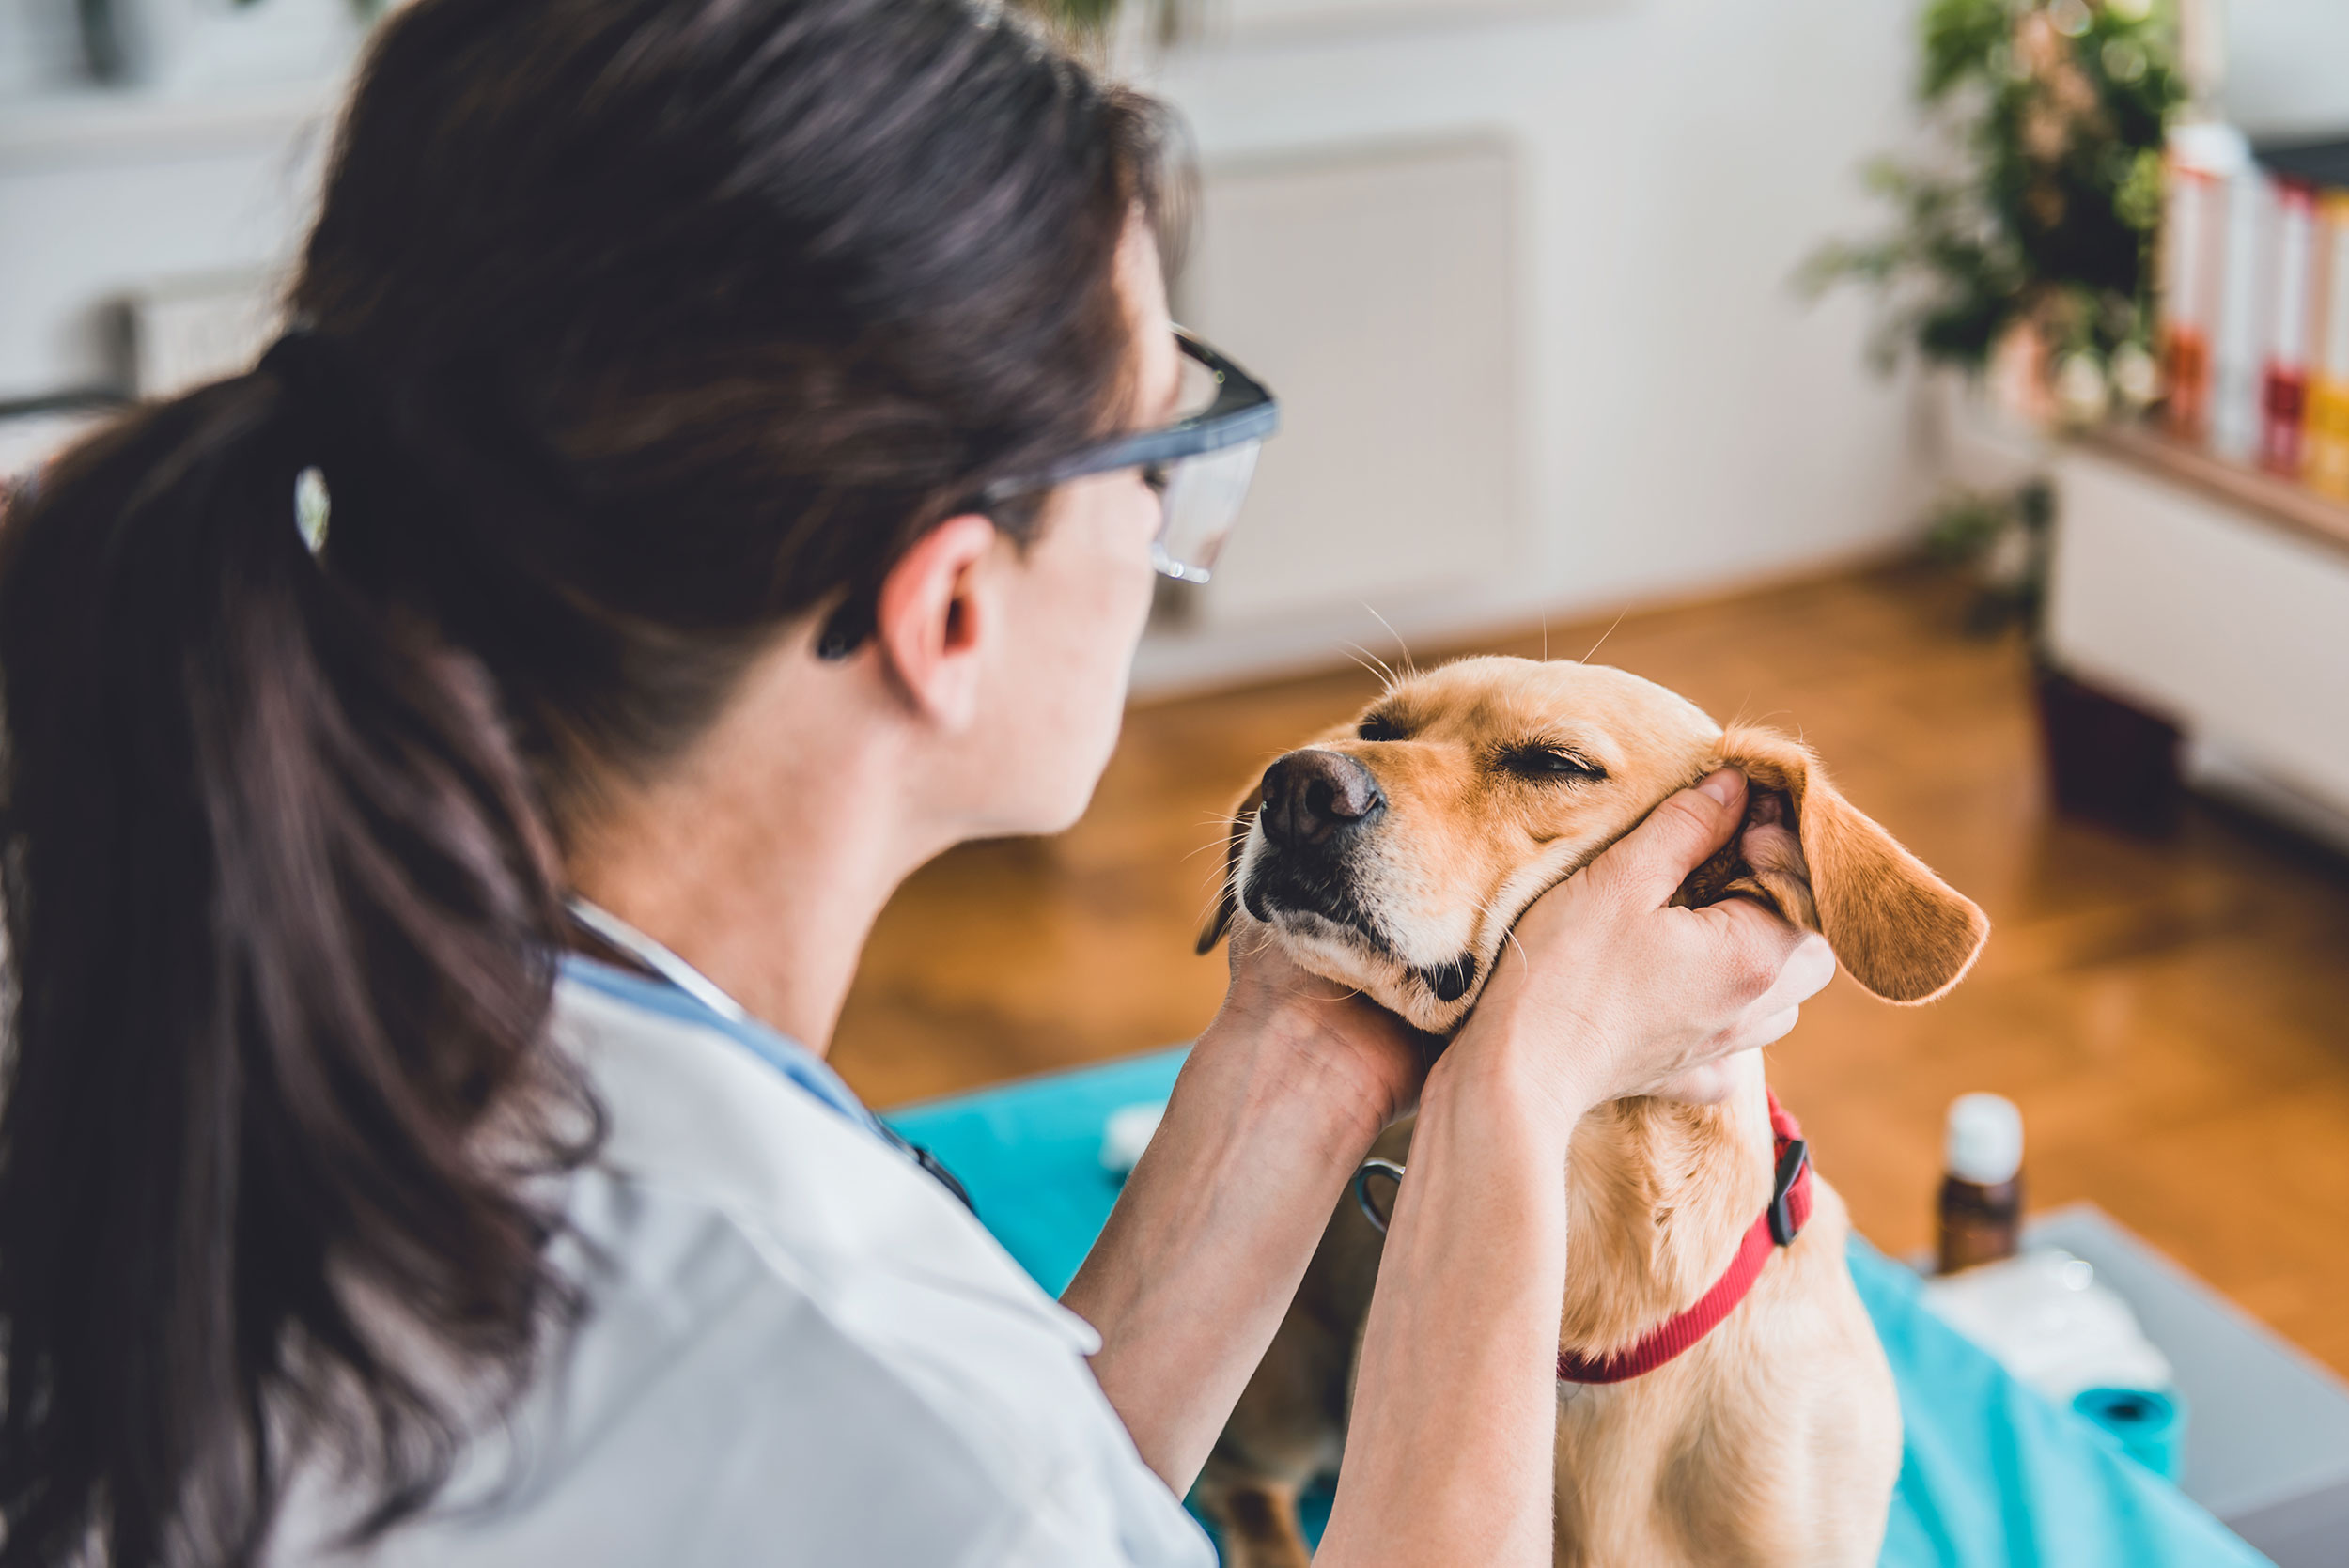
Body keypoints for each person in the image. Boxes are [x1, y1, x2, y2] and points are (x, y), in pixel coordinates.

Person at [0, 0, 1834, 1562]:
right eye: (1171, 451)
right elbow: (968, 1473)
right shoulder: (857, 1380)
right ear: (949, 604)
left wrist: (1294, 1042)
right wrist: (1519, 1098)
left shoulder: (245, 944)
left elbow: (1023, 1466)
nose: (1176, 531)